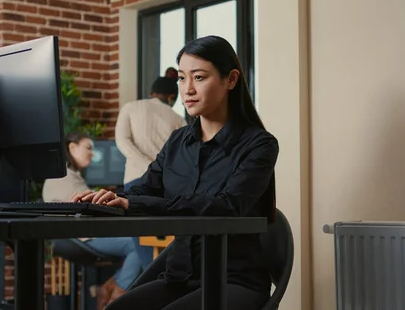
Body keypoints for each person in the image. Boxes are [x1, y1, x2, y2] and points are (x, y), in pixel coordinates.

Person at [71, 35, 279, 310]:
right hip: (180, 277)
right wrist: (107, 200)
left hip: (234, 280)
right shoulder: (178, 141)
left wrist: (136, 202)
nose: (187, 89)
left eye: (199, 77)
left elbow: (227, 206)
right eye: (182, 78)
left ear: (230, 80)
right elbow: (144, 189)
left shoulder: (259, 145)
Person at [43, 132, 144, 309]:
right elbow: (85, 210)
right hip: (80, 236)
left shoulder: (70, 176)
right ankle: (114, 301)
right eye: (88, 147)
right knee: (137, 245)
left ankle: (108, 290)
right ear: (72, 148)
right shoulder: (64, 177)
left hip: (79, 235)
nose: (92, 153)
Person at [115, 76, 186, 269]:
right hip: (166, 186)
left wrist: (147, 165)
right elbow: (184, 156)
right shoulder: (178, 119)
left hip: (136, 183)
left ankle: (151, 288)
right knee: (166, 245)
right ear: (171, 97)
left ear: (151, 92)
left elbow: (122, 141)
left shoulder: (130, 107)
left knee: (143, 248)